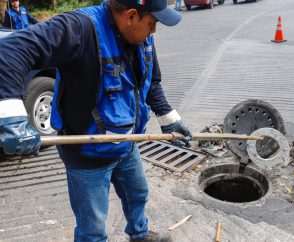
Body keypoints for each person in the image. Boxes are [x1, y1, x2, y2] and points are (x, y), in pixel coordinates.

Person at [0, 0, 192, 241]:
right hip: (86, 154)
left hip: (127, 143)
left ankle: (139, 234)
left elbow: (150, 81)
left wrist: (168, 118)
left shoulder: (142, 38)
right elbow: (9, 51)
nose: (153, 32)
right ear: (131, 16)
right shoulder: (79, 28)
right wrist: (10, 113)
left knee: (138, 195)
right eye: (152, 24)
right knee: (93, 228)